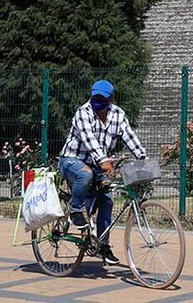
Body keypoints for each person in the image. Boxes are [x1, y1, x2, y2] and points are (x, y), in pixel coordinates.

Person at [58, 78, 147, 266]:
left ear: (111, 98)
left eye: (102, 98)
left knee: (107, 199)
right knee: (86, 174)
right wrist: (104, 160)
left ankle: (103, 246)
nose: (98, 101)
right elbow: (89, 140)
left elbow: (129, 136)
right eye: (95, 97)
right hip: (72, 161)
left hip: (98, 165)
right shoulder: (83, 113)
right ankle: (75, 210)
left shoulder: (118, 115)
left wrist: (142, 157)